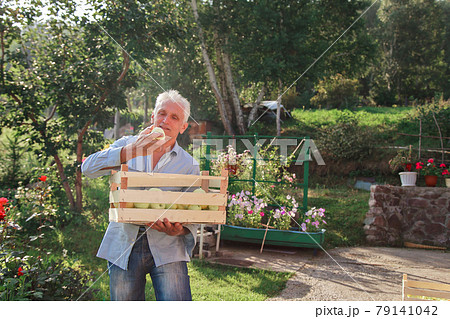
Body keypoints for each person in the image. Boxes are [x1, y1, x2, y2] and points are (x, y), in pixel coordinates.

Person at [81, 90, 199, 301]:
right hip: (123, 243)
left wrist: (180, 230)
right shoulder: (127, 145)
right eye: (162, 113)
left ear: (183, 127)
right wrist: (130, 151)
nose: (165, 120)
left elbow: (195, 211)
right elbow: (87, 168)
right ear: (152, 117)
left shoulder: (189, 165)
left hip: (168, 247)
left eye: (174, 117)